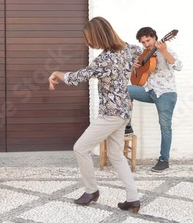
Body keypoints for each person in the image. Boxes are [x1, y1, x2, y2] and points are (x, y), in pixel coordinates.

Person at [48, 16, 141, 213]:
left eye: (90, 38)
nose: (89, 43)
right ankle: (133, 198)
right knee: (116, 154)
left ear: (98, 36)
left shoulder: (104, 60)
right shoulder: (128, 49)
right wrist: (136, 67)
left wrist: (57, 73)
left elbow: (76, 78)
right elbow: (141, 55)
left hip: (110, 114)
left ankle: (91, 191)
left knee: (80, 148)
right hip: (124, 111)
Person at [126, 27, 183, 172]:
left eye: (148, 40)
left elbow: (179, 66)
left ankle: (164, 160)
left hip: (165, 93)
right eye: (143, 42)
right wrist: (135, 67)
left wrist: (164, 51)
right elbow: (141, 72)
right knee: (124, 90)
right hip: (150, 91)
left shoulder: (167, 51)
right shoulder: (145, 53)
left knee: (165, 127)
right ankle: (127, 125)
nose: (146, 44)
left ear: (155, 38)